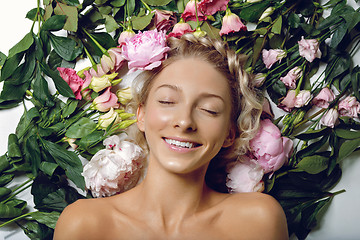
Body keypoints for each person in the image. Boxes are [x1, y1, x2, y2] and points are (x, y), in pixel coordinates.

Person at [54, 34, 289, 240]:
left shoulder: (257, 221)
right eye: (167, 101)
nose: (185, 121)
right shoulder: (84, 224)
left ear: (230, 133)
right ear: (141, 115)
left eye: (209, 109)